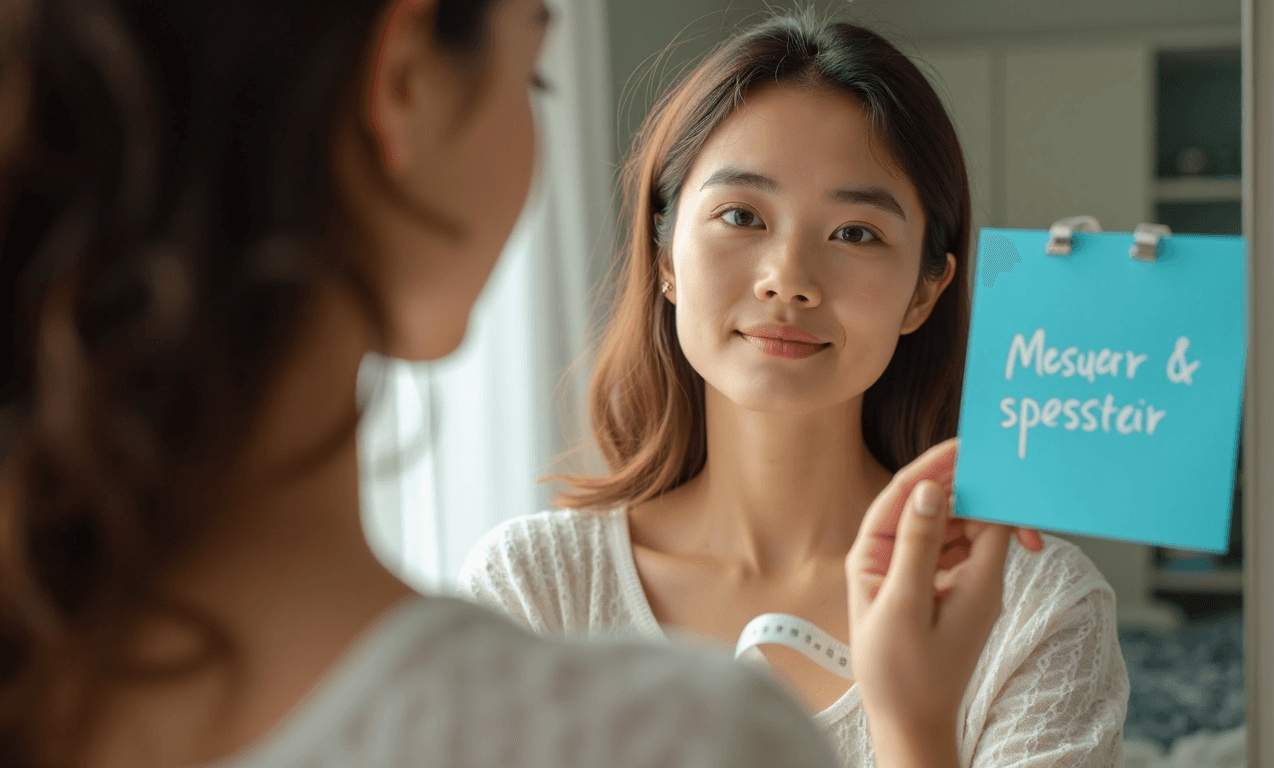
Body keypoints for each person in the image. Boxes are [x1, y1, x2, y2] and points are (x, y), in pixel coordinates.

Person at [0, 0, 855, 766]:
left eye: (857, 232)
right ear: (405, 80)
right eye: (535, 74)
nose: (790, 277)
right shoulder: (679, 740)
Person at [460, 11, 1131, 768]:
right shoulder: (530, 592)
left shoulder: (1039, 610)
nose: (790, 278)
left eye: (856, 233)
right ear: (667, 256)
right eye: (741, 215)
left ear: (924, 292)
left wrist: (915, 724)